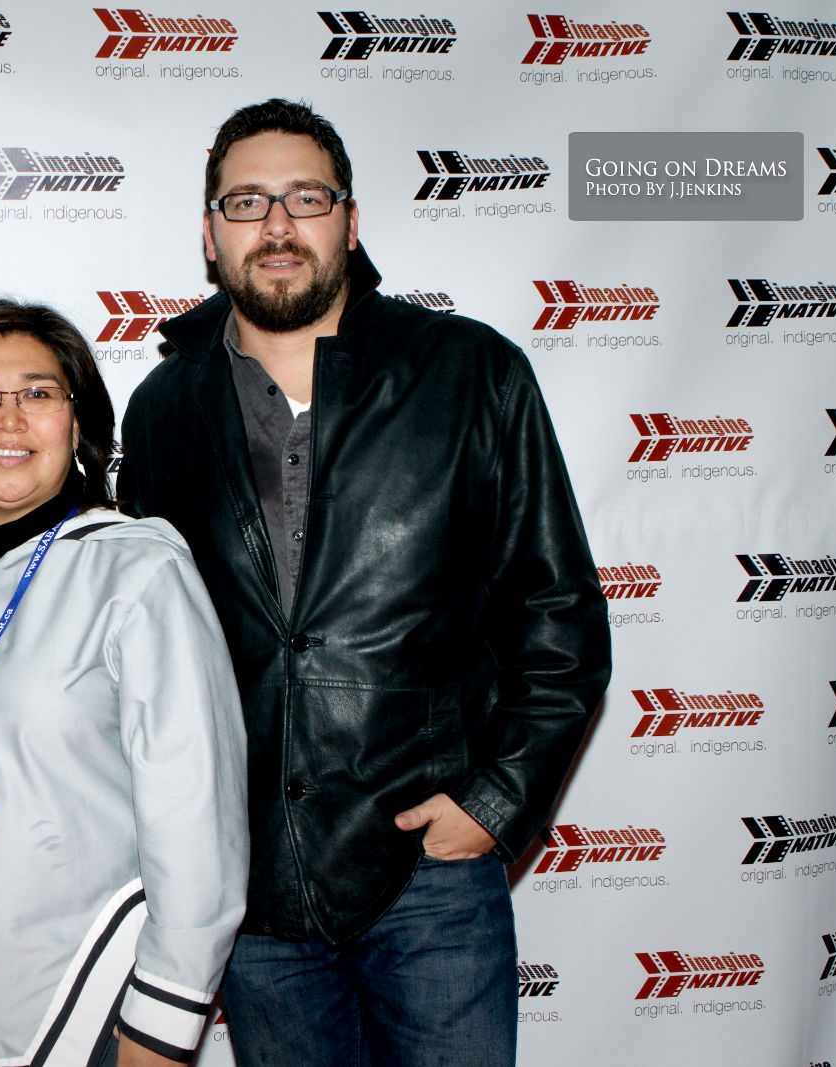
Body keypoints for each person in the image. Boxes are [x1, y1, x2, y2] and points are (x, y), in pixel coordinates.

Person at [117, 99, 611, 1066]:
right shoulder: (164, 407)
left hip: (428, 877)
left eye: (306, 196)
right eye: (247, 201)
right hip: (251, 883)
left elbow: (559, 615)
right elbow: (124, 612)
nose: (277, 224)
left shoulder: (471, 372)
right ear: (209, 235)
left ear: (351, 219)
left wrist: (498, 801)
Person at [0, 299, 248, 1067]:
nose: (9, 418)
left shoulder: (137, 568)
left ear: (78, 424)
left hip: (86, 1003)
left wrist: (162, 1024)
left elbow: (197, 813)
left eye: (38, 392)